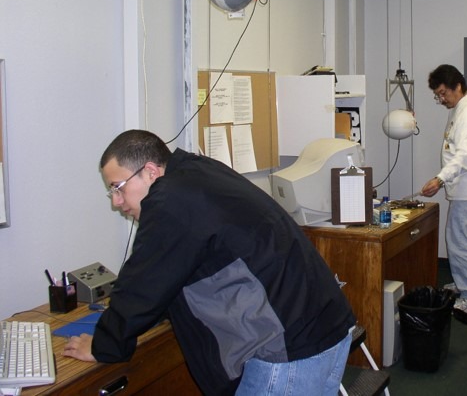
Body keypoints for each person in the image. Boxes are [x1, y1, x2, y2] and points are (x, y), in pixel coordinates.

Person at [62, 130, 355, 396]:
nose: (117, 201)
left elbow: (142, 284)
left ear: (150, 172)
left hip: (291, 350)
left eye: (118, 187)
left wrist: (104, 345)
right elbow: (179, 264)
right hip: (323, 325)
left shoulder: (170, 200)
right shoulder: (195, 172)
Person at [420, 64, 467, 315]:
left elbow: (465, 155)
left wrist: (439, 179)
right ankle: (464, 283)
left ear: (458, 87)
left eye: (444, 93)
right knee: (461, 240)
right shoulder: (462, 107)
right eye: (438, 95)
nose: (441, 99)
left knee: (461, 243)